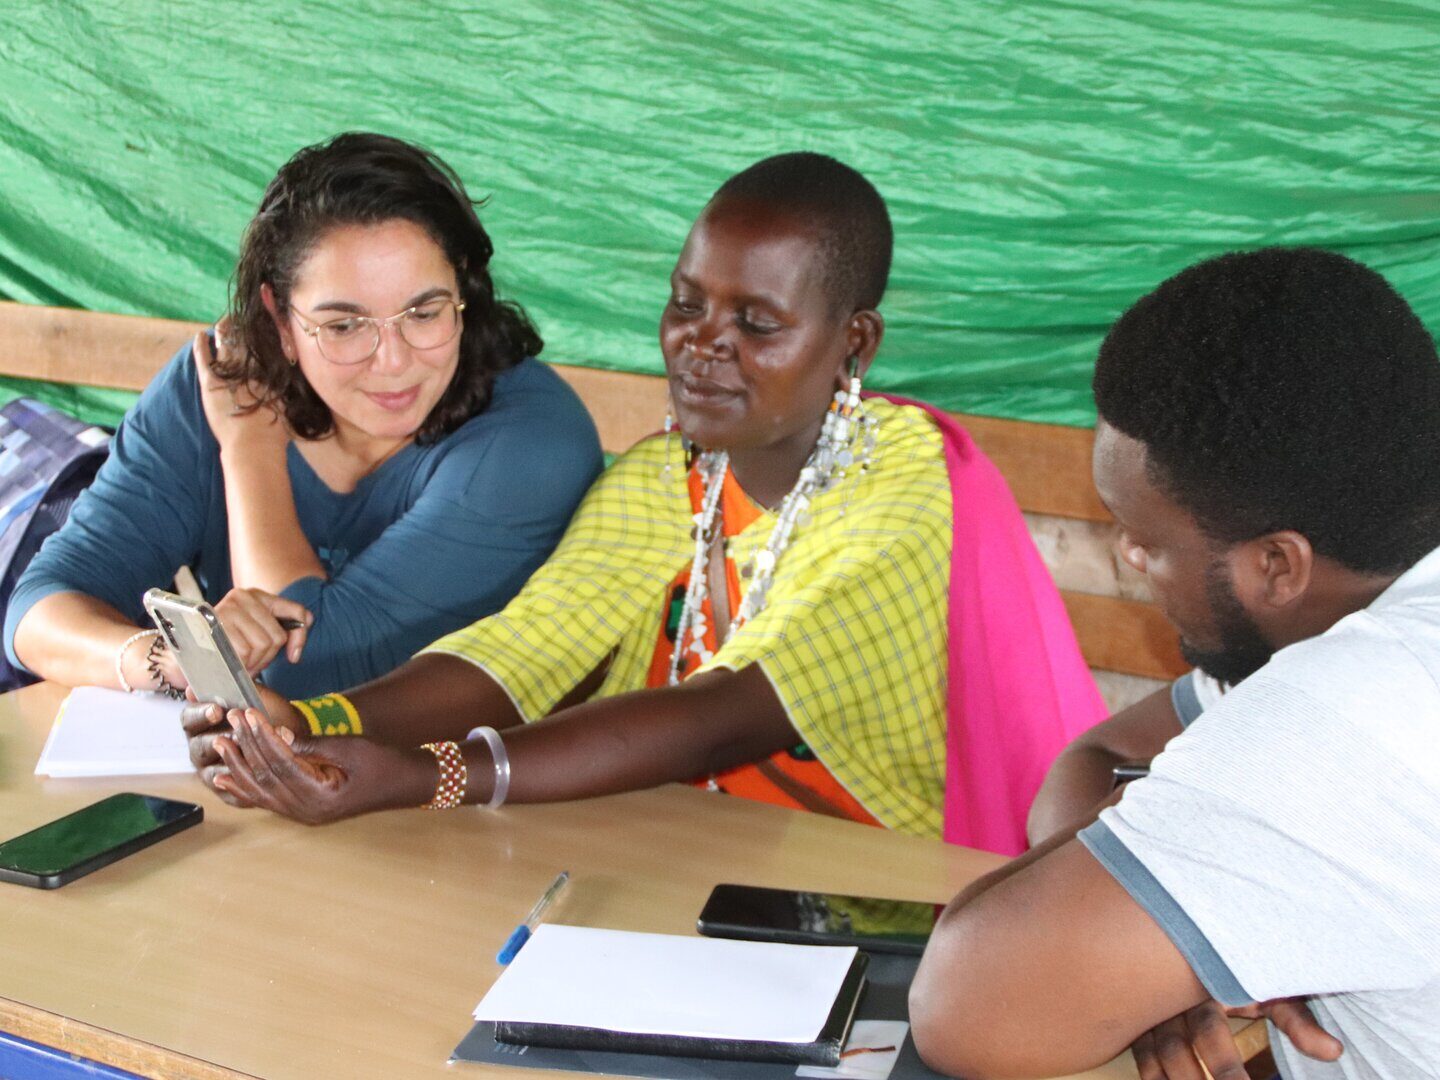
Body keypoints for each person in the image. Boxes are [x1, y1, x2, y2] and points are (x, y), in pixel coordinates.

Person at [182, 152, 1105, 850]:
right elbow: (529, 647)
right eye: (687, 305)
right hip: (671, 850)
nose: (703, 345)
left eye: (757, 323)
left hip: (885, 883)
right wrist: (312, 723)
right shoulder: (672, 473)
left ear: (853, 344)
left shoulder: (904, 489)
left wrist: (429, 773)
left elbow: (730, 710)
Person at [909, 247, 1440, 1080]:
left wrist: (1170, 916)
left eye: (1148, 541)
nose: (1126, 557)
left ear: (1276, 566)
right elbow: (1097, 756)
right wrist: (1180, 926)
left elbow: (965, 1007)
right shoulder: (1368, 608)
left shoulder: (1356, 710)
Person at [4, 132, 602, 699]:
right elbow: (37, 610)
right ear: (280, 318)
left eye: (424, 313)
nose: (392, 363)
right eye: (343, 326)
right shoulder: (216, 386)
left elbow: (308, 671)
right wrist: (170, 660)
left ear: (465, 292)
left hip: (468, 787)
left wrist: (251, 451)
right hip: (267, 782)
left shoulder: (531, 442)